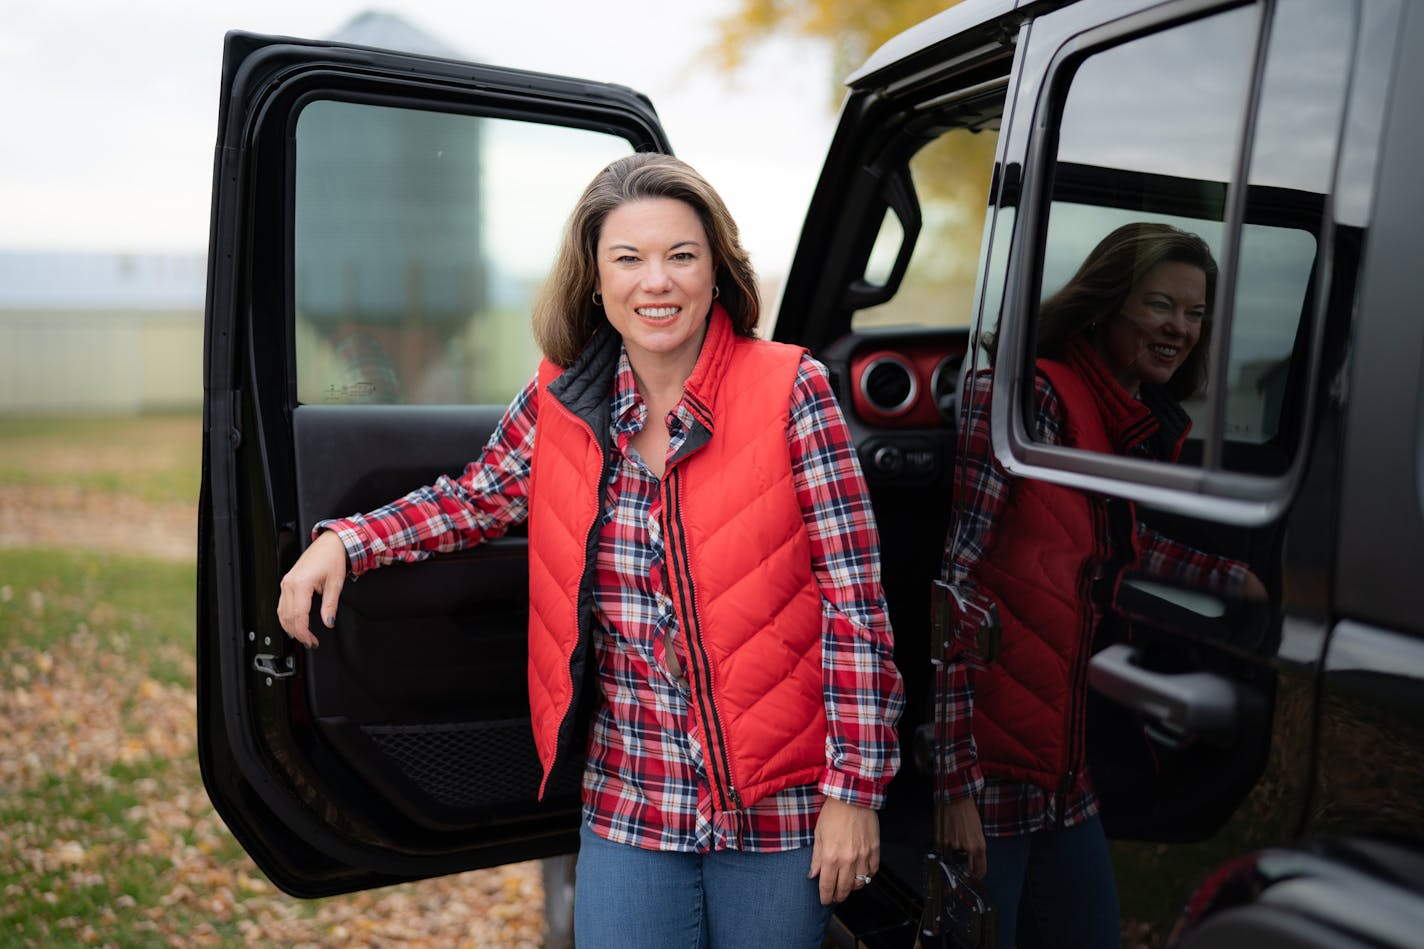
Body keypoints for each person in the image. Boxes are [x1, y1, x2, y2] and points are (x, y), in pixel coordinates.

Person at [276, 152, 905, 949]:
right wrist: (348, 540)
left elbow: (855, 603)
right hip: (632, 796)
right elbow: (474, 498)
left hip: (780, 804)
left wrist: (854, 791)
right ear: (595, 281)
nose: (658, 282)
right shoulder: (561, 400)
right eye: (629, 258)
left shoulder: (793, 389)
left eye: (682, 255)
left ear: (718, 271)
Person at [933, 222, 1265, 948]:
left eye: (1195, 313)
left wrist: (1233, 580)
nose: (1180, 328)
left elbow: (1116, 548)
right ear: (1105, 304)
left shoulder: (1114, 419)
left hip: (1064, 777)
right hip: (992, 777)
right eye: (1159, 305)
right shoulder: (1024, 401)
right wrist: (955, 786)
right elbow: (951, 590)